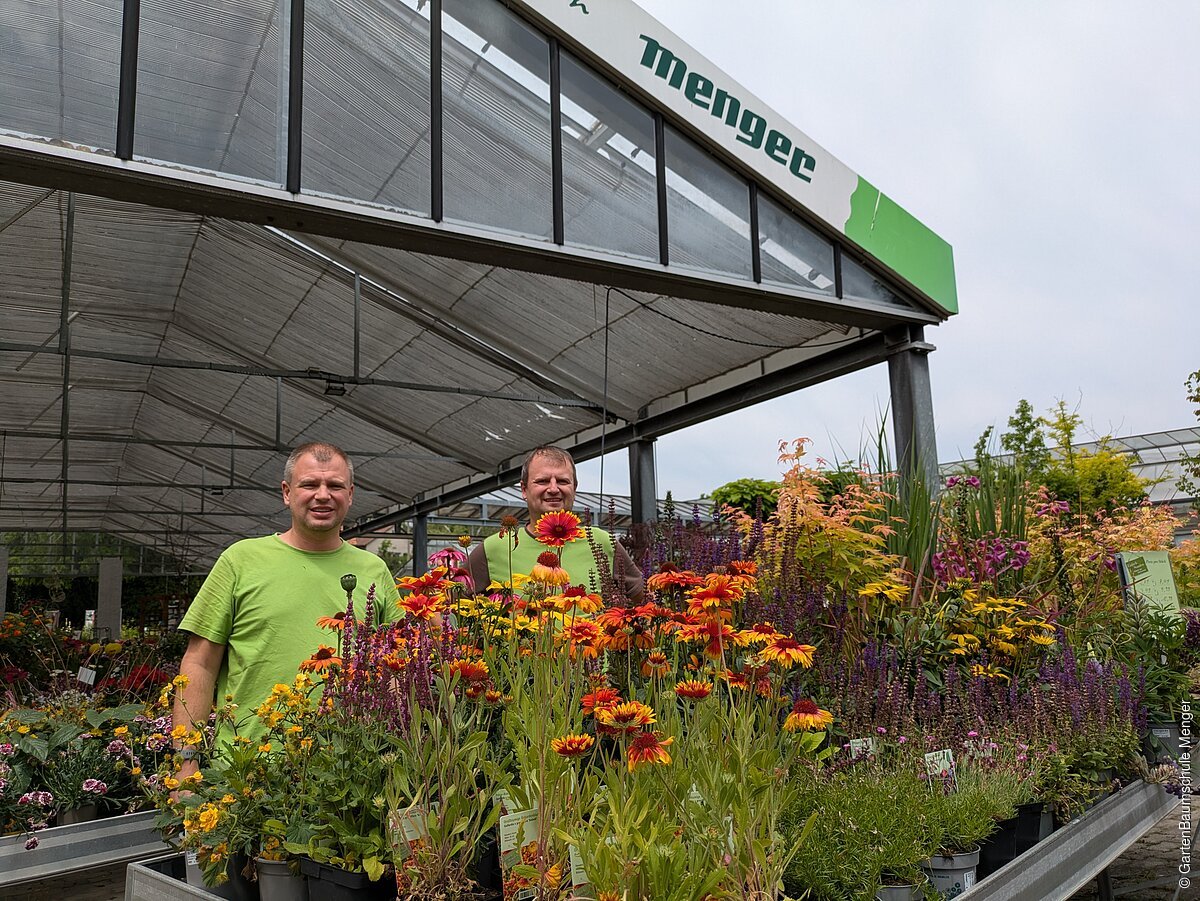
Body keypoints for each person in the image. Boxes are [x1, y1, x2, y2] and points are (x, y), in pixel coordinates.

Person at [173, 442, 399, 766]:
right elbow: (199, 664)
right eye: (309, 484)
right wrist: (185, 760)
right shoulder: (240, 561)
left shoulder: (373, 570)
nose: (323, 495)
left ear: (350, 494)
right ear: (287, 492)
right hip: (248, 770)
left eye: (334, 485)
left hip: (350, 772)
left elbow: (396, 663)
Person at [467, 446, 644, 600]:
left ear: (574, 488)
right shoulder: (494, 548)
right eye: (542, 481)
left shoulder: (600, 542)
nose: (553, 489)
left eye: (562, 481)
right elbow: (448, 603)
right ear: (524, 490)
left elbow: (642, 599)